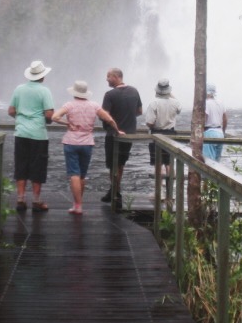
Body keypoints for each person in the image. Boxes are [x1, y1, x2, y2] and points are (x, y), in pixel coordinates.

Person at [52, 80, 121, 215]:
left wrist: (67, 123)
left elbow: (54, 117)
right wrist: (117, 130)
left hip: (71, 142)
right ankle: (77, 203)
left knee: (74, 175)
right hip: (87, 143)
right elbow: (109, 119)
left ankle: (77, 205)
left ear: (74, 92)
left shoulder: (69, 105)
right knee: (82, 175)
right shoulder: (94, 106)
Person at [8, 59, 55, 212]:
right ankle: (36, 200)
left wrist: (22, 118)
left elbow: (11, 111)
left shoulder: (19, 89)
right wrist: (46, 120)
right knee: (37, 166)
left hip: (21, 133)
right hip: (38, 135)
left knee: (21, 165)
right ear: (42, 76)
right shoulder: (44, 91)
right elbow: (49, 113)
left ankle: (21, 199)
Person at [100, 67, 142, 206]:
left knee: (112, 164)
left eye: (108, 76)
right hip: (129, 134)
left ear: (117, 77)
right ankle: (114, 191)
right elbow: (139, 111)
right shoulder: (134, 91)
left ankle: (115, 192)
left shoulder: (110, 95)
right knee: (121, 164)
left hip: (113, 134)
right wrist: (128, 117)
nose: (106, 79)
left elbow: (104, 116)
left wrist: (115, 121)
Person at [144, 79, 181, 176]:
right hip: (171, 134)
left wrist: (154, 124)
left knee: (158, 163)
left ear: (157, 90)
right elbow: (179, 108)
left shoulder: (153, 104)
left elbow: (149, 122)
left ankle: (158, 188)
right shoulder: (175, 103)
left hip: (157, 134)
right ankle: (171, 187)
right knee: (169, 163)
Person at [203, 83, 228, 161]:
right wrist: (223, 132)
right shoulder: (220, 103)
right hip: (219, 133)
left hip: (209, 132)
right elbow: (225, 119)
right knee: (217, 161)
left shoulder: (206, 103)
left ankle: (206, 173)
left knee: (208, 160)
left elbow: (204, 118)